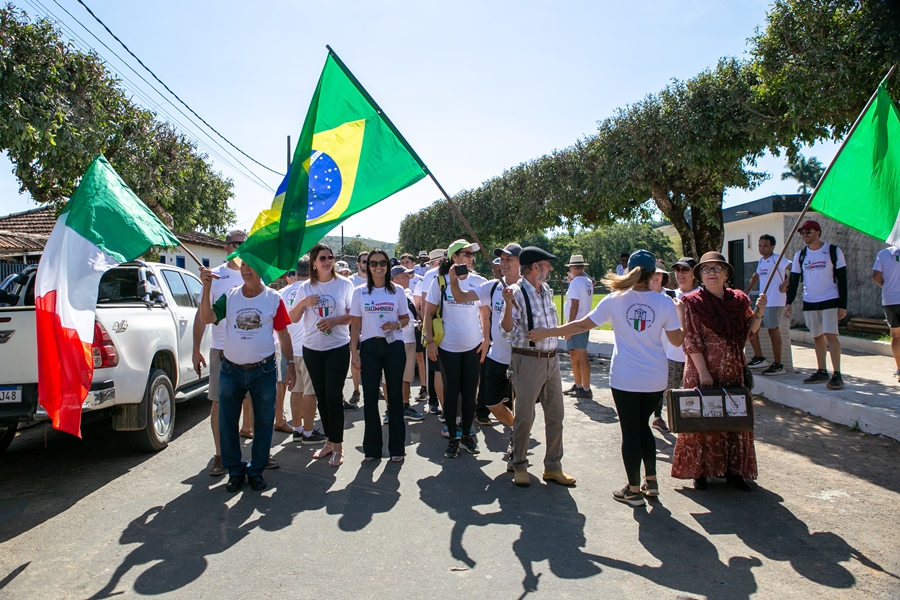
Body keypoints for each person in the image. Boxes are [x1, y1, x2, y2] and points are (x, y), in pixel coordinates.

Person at [531, 250, 684, 506]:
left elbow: (582, 325)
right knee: (643, 426)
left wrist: (549, 332)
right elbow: (677, 340)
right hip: (655, 377)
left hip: (626, 376)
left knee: (630, 431)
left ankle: (633, 490)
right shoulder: (665, 302)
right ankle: (651, 481)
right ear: (653, 274)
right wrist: (681, 316)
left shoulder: (615, 299)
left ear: (629, 271)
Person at [671, 251, 767, 492]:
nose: (711, 273)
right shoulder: (692, 302)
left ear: (726, 274)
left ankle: (734, 471)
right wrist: (703, 372)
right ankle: (700, 471)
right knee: (702, 419)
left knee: (734, 417)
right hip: (702, 369)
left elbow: (750, 333)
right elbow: (691, 340)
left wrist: (759, 311)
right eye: (706, 269)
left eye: (716, 268)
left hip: (733, 367)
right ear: (700, 275)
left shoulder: (739, 300)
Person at [198, 260, 295, 493]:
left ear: (260, 269)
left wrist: (291, 364)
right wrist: (207, 287)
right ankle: (235, 471)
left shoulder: (273, 298)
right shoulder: (230, 296)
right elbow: (207, 317)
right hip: (231, 371)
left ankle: (256, 471)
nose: (245, 269)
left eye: (250, 265)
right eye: (243, 265)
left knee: (264, 423)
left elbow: (283, 334)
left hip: (264, 371)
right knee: (227, 423)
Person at [501, 246, 576, 487]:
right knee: (524, 416)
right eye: (547, 264)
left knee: (556, 415)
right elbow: (506, 331)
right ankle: (519, 464)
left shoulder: (546, 290)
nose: (551, 268)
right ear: (535, 267)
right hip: (527, 360)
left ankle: (553, 467)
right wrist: (508, 306)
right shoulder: (515, 292)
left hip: (551, 360)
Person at [192, 230, 264, 476]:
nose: (241, 247)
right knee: (219, 404)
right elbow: (202, 315)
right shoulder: (214, 276)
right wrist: (195, 349)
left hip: (252, 349)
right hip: (222, 349)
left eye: (246, 244)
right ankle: (220, 455)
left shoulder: (255, 273)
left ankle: (258, 454)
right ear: (225, 247)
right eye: (236, 243)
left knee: (254, 401)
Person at [424, 239, 487, 458]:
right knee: (451, 394)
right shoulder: (439, 281)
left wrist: (486, 339)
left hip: (474, 347)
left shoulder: (479, 281)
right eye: (466, 254)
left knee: (470, 394)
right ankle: (452, 438)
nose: (471, 258)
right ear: (454, 257)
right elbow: (428, 313)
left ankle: (467, 436)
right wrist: (430, 342)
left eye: (472, 254)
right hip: (448, 347)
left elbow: (485, 314)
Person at [449, 243, 522, 432]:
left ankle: (519, 435)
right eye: (502, 259)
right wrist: (454, 281)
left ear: (520, 262)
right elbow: (461, 297)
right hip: (497, 358)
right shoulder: (493, 286)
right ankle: (519, 429)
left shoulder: (528, 288)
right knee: (491, 404)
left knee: (524, 405)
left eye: (509, 259)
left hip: (523, 358)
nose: (504, 263)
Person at [295, 243, 355, 467]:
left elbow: (354, 315)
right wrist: (303, 303)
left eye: (330, 257)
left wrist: (335, 321)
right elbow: (292, 318)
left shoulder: (344, 284)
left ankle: (338, 446)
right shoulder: (305, 288)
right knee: (321, 396)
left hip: (337, 347)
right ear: (314, 263)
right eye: (323, 258)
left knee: (333, 396)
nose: (328, 261)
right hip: (312, 349)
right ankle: (329, 442)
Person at [350, 249, 410, 461]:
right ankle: (372, 449)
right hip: (369, 348)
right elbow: (355, 324)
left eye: (382, 263)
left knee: (394, 398)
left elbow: (405, 318)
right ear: (367, 266)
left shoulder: (397, 291)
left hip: (394, 347)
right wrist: (354, 352)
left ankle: (397, 448)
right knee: (370, 399)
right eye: (373, 263)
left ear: (388, 266)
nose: (378, 267)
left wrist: (396, 324)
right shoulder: (359, 292)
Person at [785, 220, 848, 389]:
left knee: (830, 335)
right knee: (817, 336)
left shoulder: (833, 251)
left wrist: (843, 305)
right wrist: (788, 302)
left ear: (818, 232)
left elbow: (842, 279)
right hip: (810, 301)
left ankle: (837, 374)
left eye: (808, 232)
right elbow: (794, 281)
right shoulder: (800, 255)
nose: (804, 235)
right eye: (802, 233)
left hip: (830, 299)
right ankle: (821, 371)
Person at [281, 257, 326, 445]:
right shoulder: (313, 290)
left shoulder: (283, 292)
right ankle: (308, 432)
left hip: (289, 348)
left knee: (296, 389)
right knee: (310, 392)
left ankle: (298, 429)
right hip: (308, 348)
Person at [653, 257, 698, 432]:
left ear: (694, 273)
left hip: (697, 355)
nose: (680, 274)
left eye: (685, 270)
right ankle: (659, 418)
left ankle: (691, 424)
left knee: (692, 392)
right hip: (673, 353)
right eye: (677, 270)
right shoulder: (669, 295)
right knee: (666, 390)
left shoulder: (702, 295)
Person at [744, 234, 791, 376]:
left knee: (773, 331)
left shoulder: (777, 259)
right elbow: (756, 275)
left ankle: (778, 364)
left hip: (775, 300)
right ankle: (759, 357)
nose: (762, 248)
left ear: (772, 247)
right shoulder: (761, 261)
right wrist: (748, 289)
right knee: (751, 327)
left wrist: (785, 283)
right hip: (763, 301)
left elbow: (795, 269)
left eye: (765, 245)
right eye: (760, 245)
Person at [390, 265, 426, 420]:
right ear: (395, 278)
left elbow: (411, 315)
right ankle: (392, 409)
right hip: (397, 340)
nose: (408, 278)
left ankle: (405, 405)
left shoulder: (408, 293)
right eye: (405, 276)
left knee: (407, 376)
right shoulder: (390, 294)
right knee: (392, 376)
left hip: (410, 339)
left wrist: (418, 321)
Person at [415, 248, 446, 415]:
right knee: (433, 365)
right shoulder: (430, 275)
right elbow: (425, 303)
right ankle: (433, 400)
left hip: (449, 325)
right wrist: (427, 328)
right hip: (434, 323)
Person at [563, 255, 594, 399]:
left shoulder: (576, 283)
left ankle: (586, 388)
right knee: (574, 354)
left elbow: (574, 305)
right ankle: (579, 384)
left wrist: (569, 327)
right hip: (584, 321)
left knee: (581, 356)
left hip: (576, 323)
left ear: (571, 267)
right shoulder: (587, 281)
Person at [273, 269, 298, 433]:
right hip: (285, 342)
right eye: (291, 273)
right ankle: (279, 419)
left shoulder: (281, 293)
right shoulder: (280, 294)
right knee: (282, 382)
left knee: (287, 382)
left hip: (292, 342)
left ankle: (286, 416)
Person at [872, 245, 900, 382]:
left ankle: (899, 368)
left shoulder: (883, 253)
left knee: (896, 335)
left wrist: (888, 287)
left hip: (890, 300)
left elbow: (876, 276)